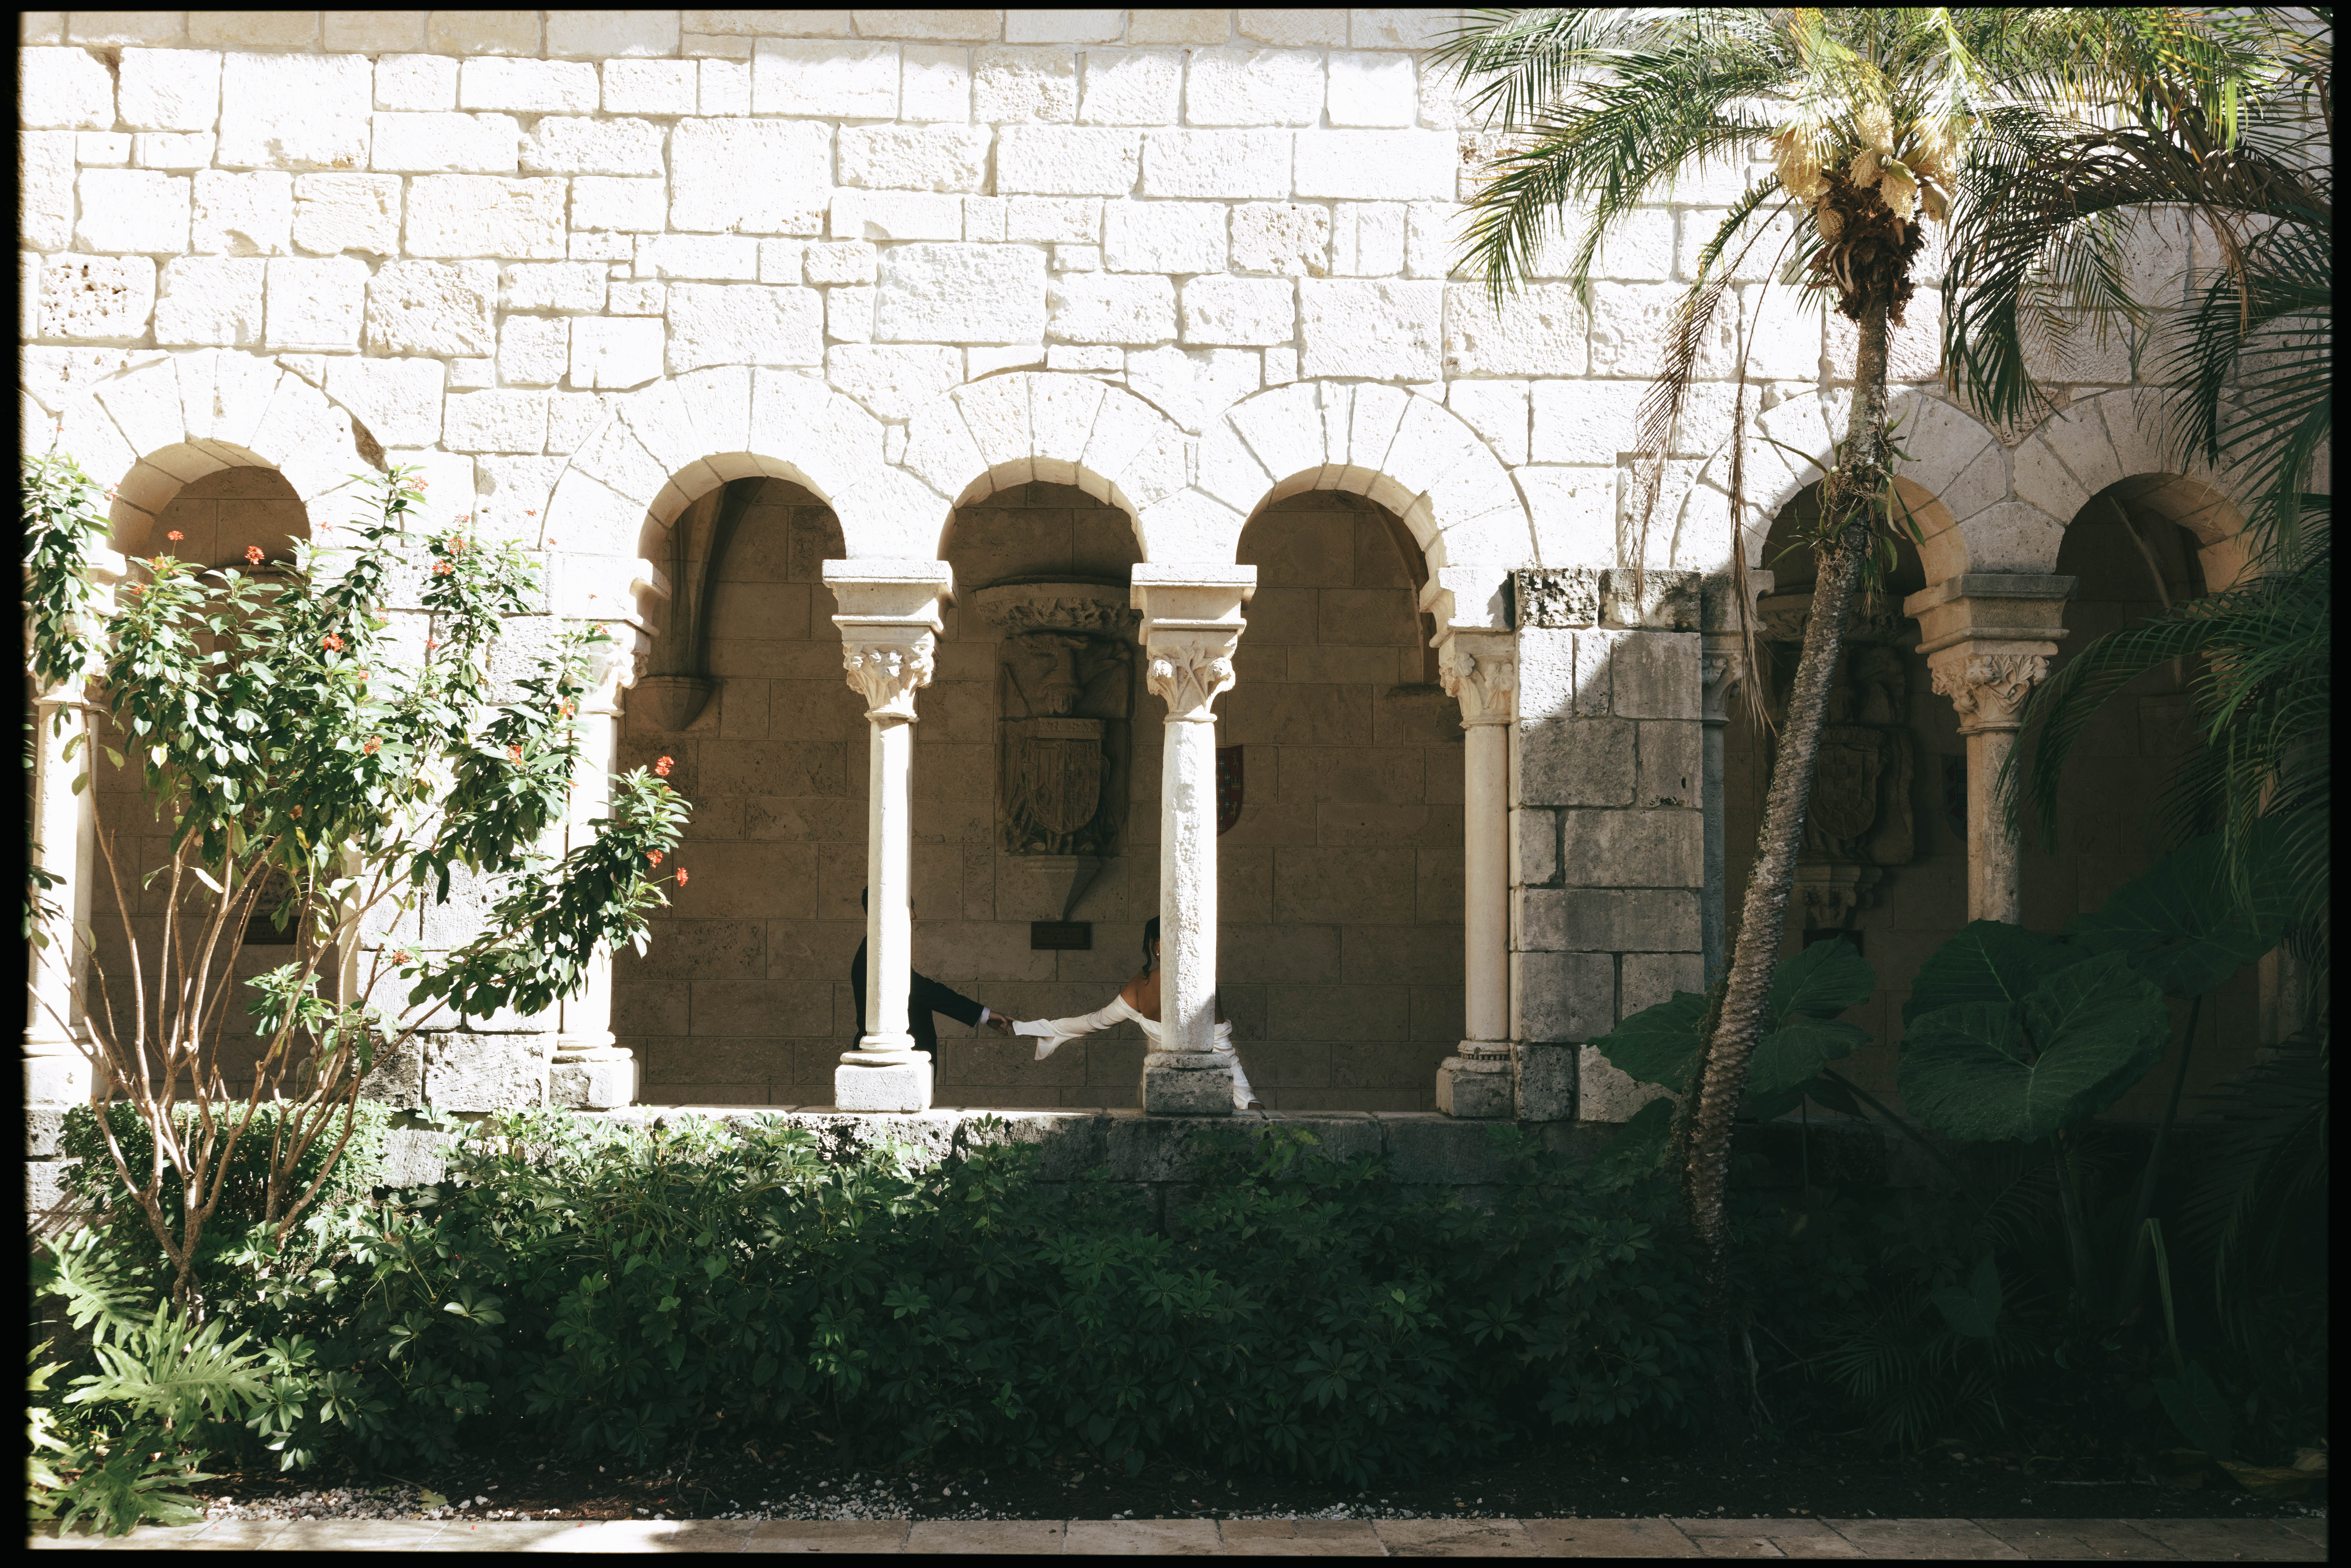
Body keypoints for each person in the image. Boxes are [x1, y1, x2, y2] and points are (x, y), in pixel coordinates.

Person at [1012, 917, 1263, 1111]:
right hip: (1188, 1090)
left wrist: (1029, 1027)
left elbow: (1092, 1022)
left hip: (1161, 1089)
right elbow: (1223, 1047)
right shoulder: (1193, 985)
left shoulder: (1145, 986)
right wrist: (1248, 1098)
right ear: (1158, 945)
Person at [849, 887, 1016, 1052]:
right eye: (909, 908)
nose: (914, 916)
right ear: (884, 912)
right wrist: (984, 1016)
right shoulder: (878, 953)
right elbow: (924, 991)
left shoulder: (878, 949)